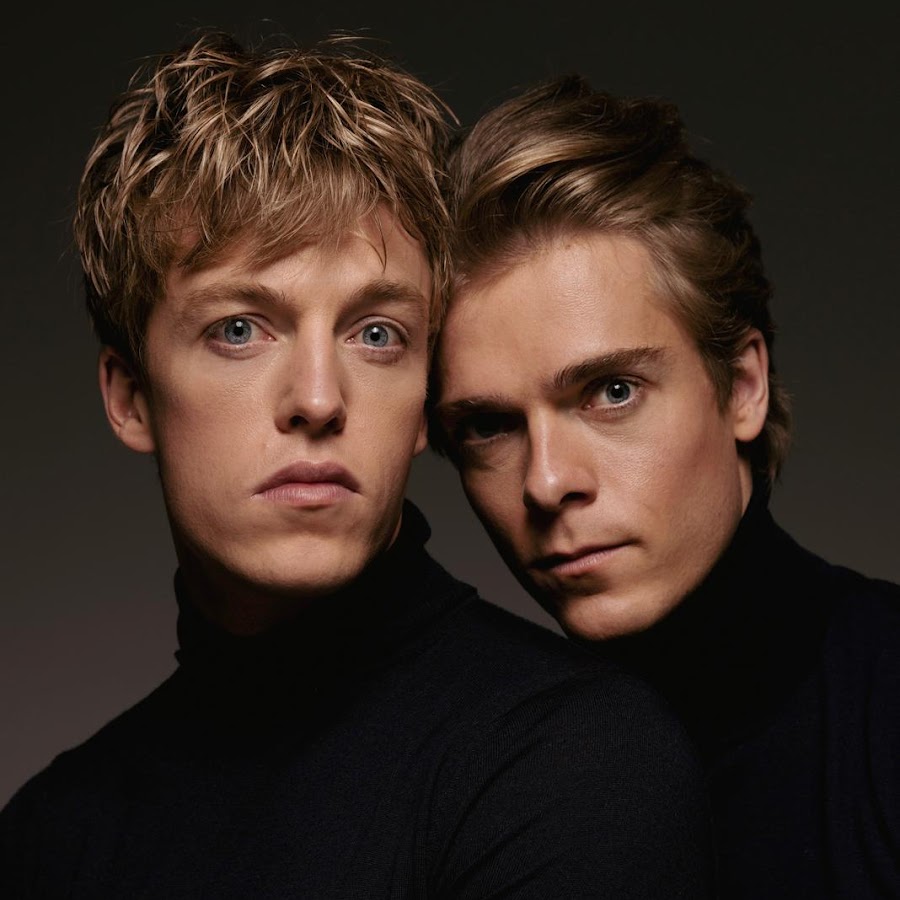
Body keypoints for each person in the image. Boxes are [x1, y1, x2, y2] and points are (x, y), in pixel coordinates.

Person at [0, 33, 715, 898]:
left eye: (377, 334)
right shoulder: (49, 836)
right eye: (239, 329)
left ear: (423, 402)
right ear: (130, 397)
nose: (318, 397)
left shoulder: (573, 762)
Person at [431, 74, 900, 899]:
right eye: (491, 426)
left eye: (611, 391)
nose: (548, 483)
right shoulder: (469, 776)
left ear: (743, 386)